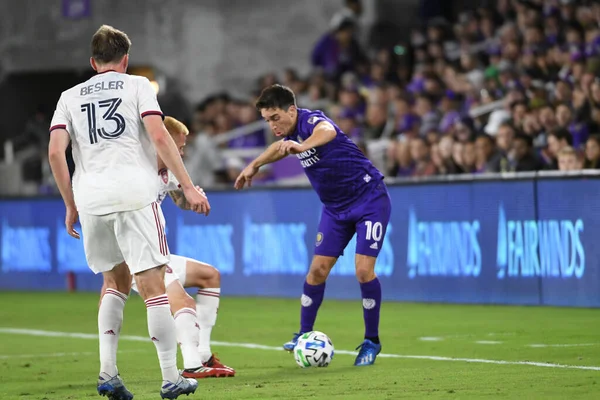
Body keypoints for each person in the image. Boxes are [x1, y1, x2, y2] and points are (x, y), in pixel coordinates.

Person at [48, 25, 209, 400]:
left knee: (113, 285)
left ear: (92, 62)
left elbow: (56, 152)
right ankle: (171, 377)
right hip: (134, 196)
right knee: (153, 288)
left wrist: (70, 203)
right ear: (125, 60)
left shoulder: (68, 97)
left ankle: (107, 372)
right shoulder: (137, 86)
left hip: (90, 200)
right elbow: (158, 135)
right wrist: (186, 184)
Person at [234, 84, 392, 366]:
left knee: (363, 271)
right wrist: (254, 165)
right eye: (267, 120)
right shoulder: (289, 134)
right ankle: (303, 334)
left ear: (291, 110)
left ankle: (371, 342)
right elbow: (278, 149)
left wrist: (302, 146)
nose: (272, 125)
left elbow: (327, 132)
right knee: (317, 271)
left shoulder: (312, 121)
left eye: (275, 118)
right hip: (335, 210)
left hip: (369, 200)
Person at [99, 116, 235, 378]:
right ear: (161, 140)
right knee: (181, 301)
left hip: (154, 250)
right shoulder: (136, 168)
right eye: (179, 146)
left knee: (210, 275)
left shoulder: (169, 171)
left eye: (182, 148)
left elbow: (181, 201)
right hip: (135, 254)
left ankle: (204, 354)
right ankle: (193, 364)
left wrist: (195, 197)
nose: (180, 152)